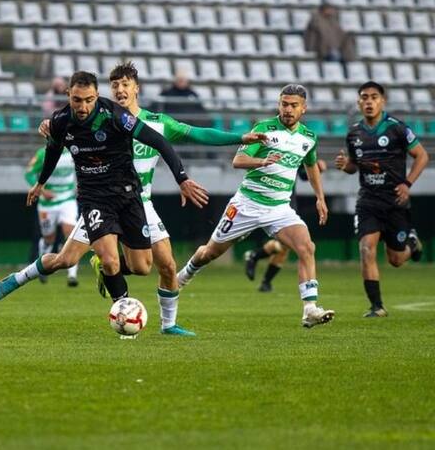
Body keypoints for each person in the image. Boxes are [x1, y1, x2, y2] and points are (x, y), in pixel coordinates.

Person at [21, 62, 266, 336]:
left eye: (125, 84)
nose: (120, 90)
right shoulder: (101, 117)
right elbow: (64, 129)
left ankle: (168, 323)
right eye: (115, 85)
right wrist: (51, 125)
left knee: (163, 265)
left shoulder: (157, 123)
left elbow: (198, 134)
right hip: (101, 200)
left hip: (140, 201)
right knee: (66, 260)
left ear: (136, 89)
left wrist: (240, 137)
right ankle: (99, 270)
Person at [0, 70, 209, 306]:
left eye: (88, 100)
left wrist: (182, 178)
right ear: (68, 95)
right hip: (94, 198)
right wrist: (40, 182)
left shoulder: (115, 115)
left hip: (128, 195)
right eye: (77, 100)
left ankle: (102, 277)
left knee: (141, 266)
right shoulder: (60, 121)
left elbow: (159, 142)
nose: (83, 107)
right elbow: (53, 151)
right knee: (109, 260)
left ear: (96, 95)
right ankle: (122, 309)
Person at [176, 84, 335, 329]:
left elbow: (311, 166)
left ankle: (310, 308)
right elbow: (238, 160)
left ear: (304, 108)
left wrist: (320, 197)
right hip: (247, 204)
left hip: (279, 208)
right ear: (278, 104)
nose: (288, 109)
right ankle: (184, 275)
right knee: (210, 253)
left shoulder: (309, 138)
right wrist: (262, 161)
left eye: (294, 105)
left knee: (306, 247)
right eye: (284, 104)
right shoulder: (264, 129)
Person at [334, 81, 428, 317]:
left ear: (382, 101)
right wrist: (346, 166)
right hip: (368, 201)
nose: (368, 101)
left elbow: (422, 156)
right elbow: (354, 167)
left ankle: (412, 244)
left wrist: (407, 183)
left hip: (395, 201)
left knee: (396, 259)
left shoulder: (397, 128)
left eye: (374, 97)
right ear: (358, 102)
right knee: (367, 248)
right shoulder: (354, 132)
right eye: (364, 97)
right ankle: (377, 306)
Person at [244, 159, 328, 292]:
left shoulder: (297, 145)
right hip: (266, 199)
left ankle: (261, 270)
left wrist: (317, 168)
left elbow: (303, 174)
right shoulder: (270, 144)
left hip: (287, 202)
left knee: (285, 247)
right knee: (286, 246)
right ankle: (259, 264)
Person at [24, 146, 79, 287]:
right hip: (48, 203)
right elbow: (29, 174)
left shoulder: (75, 148)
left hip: (68, 199)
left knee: (71, 233)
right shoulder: (42, 153)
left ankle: (72, 275)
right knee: (49, 239)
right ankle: (42, 267)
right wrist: (42, 190)